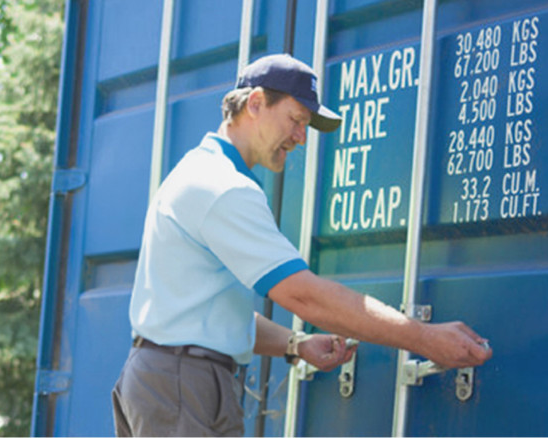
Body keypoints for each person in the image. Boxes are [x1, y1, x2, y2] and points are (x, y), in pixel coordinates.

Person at [112, 54, 493, 437]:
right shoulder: (223, 187)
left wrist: (295, 344)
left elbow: (211, 316)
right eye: (296, 120)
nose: (301, 137)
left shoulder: (201, 171)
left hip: (166, 381)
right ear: (256, 103)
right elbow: (304, 296)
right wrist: (423, 338)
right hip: (184, 386)